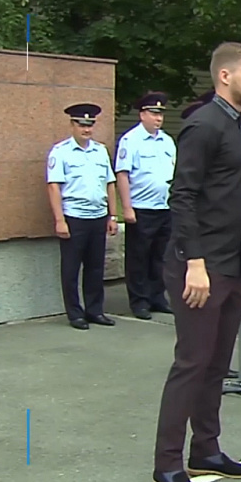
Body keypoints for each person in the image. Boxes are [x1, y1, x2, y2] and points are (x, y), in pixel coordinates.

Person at [151, 42, 241, 482]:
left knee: (217, 364)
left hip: (228, 263)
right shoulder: (204, 124)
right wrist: (194, 262)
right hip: (199, 266)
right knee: (192, 364)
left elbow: (232, 201)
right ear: (225, 76)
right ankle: (167, 465)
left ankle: (206, 450)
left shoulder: (238, 127)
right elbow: (183, 196)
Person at [46, 103, 119, 330]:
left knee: (96, 268)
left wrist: (113, 215)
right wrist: (60, 220)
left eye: (90, 125)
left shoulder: (100, 151)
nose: (87, 130)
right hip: (74, 217)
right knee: (71, 269)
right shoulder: (61, 152)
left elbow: (110, 183)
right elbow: (54, 187)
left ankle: (95, 311)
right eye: (81, 125)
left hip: (98, 216)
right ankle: (75, 314)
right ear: (72, 125)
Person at [115, 91, 176, 320]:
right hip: (141, 207)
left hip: (164, 207)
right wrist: (127, 207)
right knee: (139, 257)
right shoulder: (131, 140)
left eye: (161, 114)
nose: (158, 118)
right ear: (142, 115)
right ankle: (139, 301)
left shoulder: (167, 141)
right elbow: (122, 175)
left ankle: (157, 297)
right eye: (153, 113)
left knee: (161, 256)